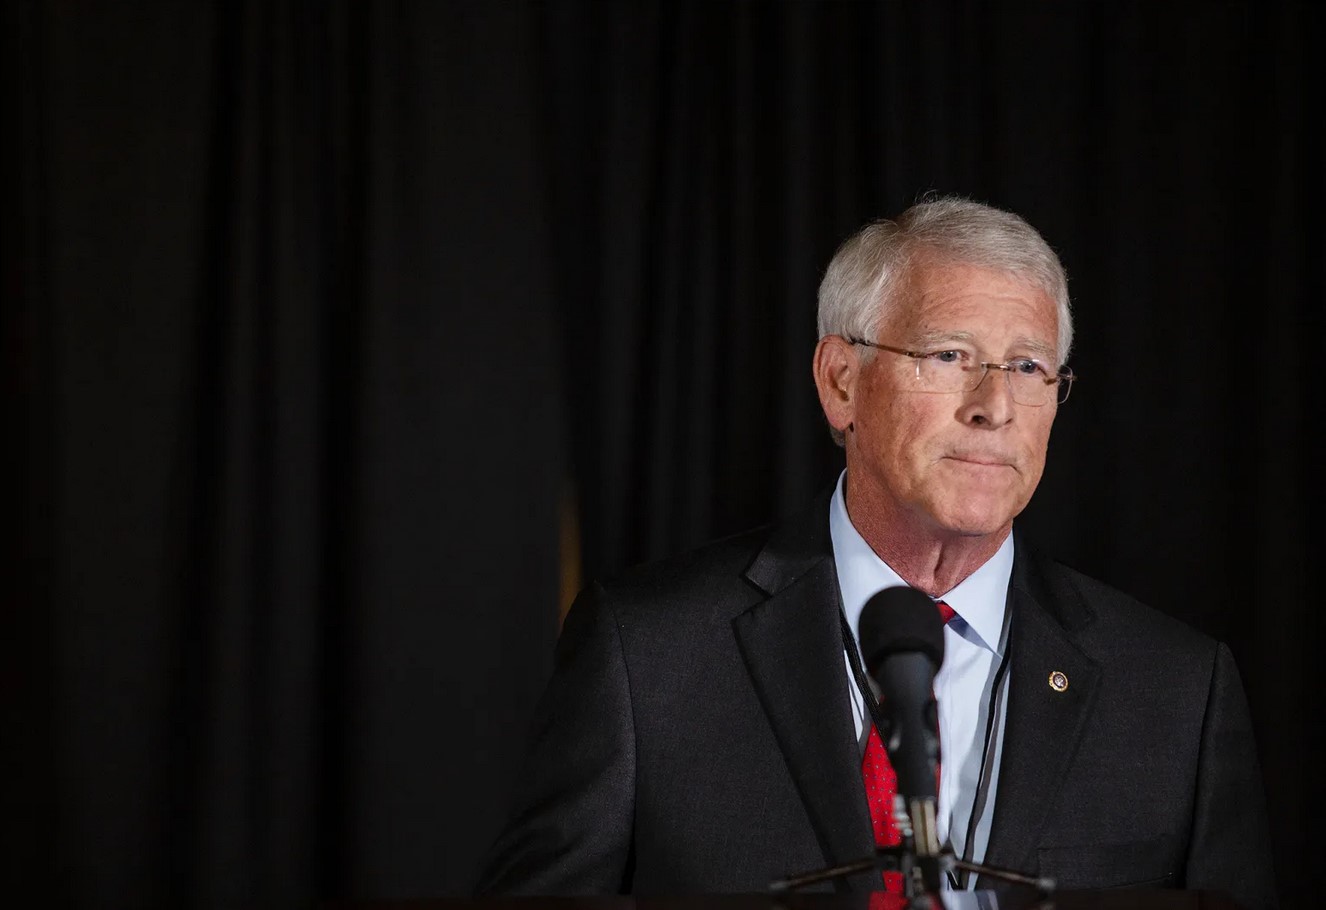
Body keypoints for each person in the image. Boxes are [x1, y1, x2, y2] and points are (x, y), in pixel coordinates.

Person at [473, 195, 1277, 910]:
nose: (994, 406)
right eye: (949, 356)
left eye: (1028, 367)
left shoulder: (1177, 693)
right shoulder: (647, 654)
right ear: (840, 381)